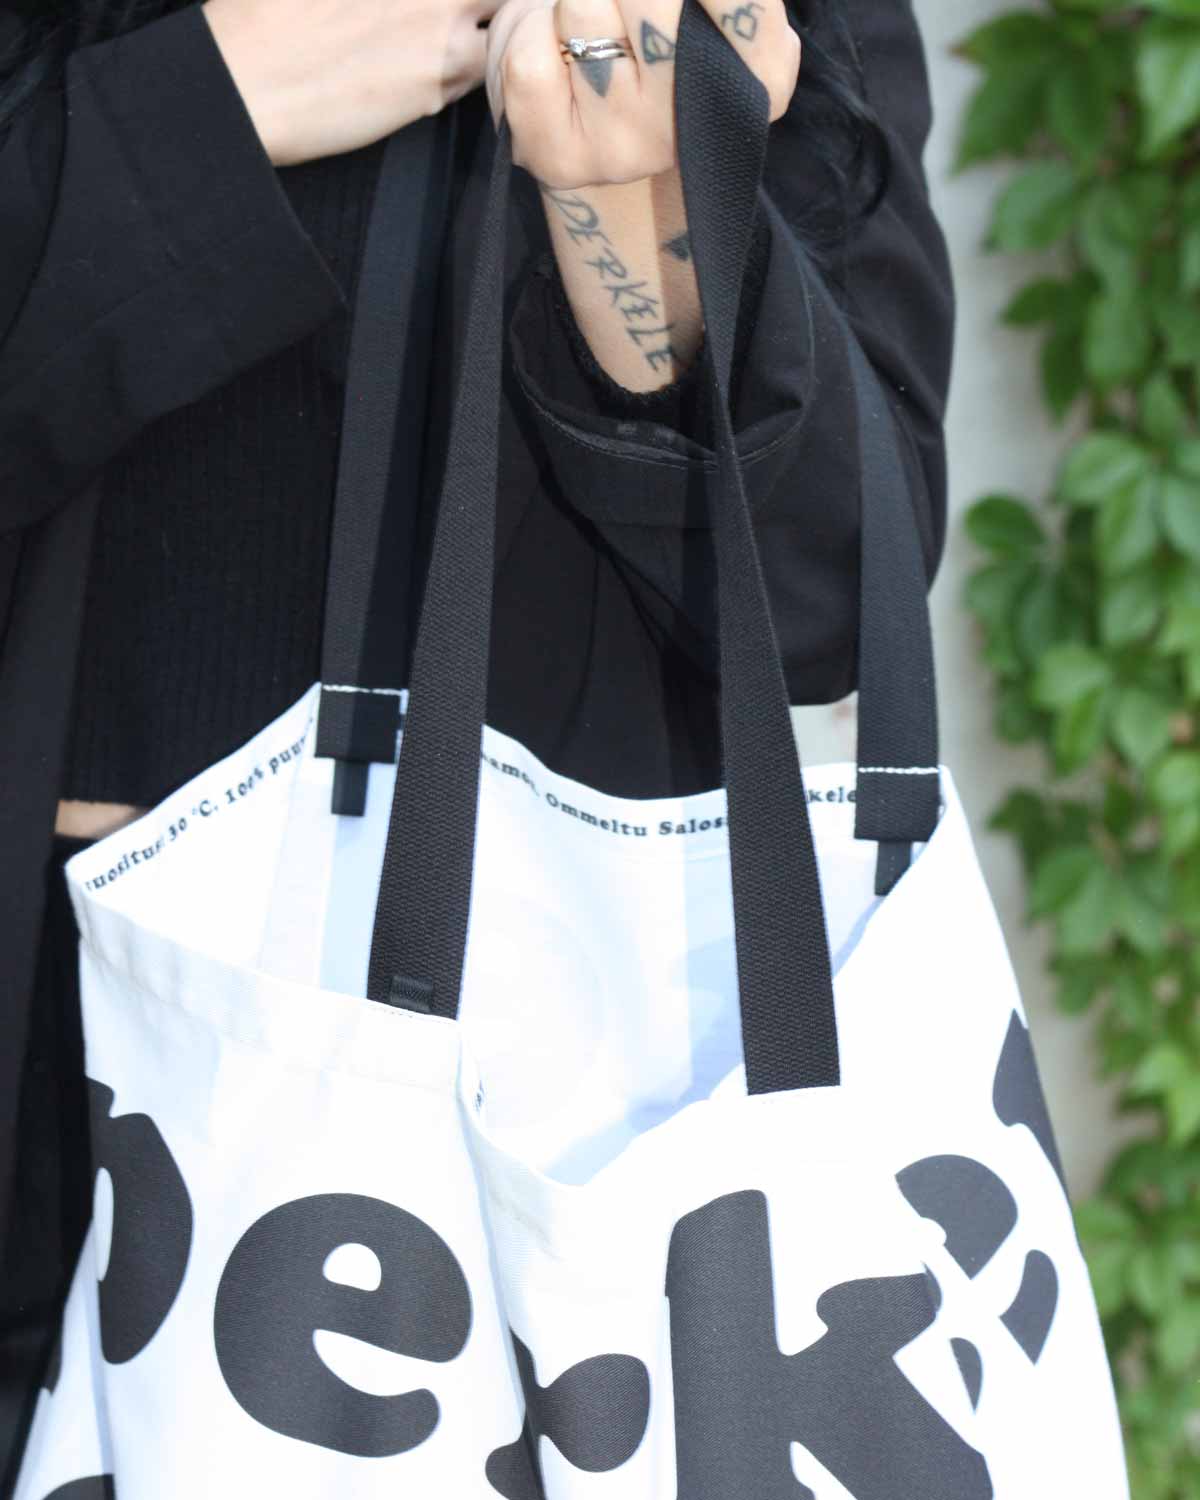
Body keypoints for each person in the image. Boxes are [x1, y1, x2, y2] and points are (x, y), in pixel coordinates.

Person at [0, 0, 953, 1480]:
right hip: (49, 1073)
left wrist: (630, 205)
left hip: (545, 1124)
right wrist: (222, 98)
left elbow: (828, 598)